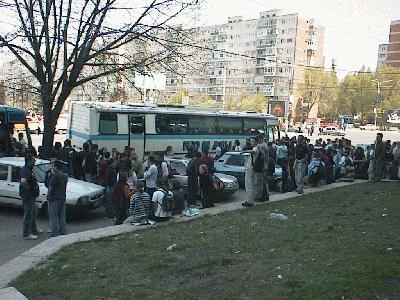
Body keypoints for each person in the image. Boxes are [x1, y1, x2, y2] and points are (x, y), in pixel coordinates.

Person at [20, 154, 41, 240]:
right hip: (28, 196)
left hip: (31, 196)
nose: (35, 161)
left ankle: (33, 229)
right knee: (28, 214)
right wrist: (30, 189)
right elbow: (23, 181)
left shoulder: (29, 170)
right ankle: (26, 233)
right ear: (29, 161)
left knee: (34, 212)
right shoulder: (25, 170)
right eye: (33, 160)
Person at [45, 160, 68, 237]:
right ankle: (63, 231)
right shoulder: (65, 176)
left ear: (56, 167)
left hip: (54, 198)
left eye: (53, 166)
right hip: (62, 197)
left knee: (53, 216)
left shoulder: (53, 177)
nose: (52, 167)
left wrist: (48, 196)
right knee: (62, 215)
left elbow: (50, 187)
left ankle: (55, 233)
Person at [242, 137, 262, 207]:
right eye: (251, 141)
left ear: (256, 142)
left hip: (250, 169)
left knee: (249, 185)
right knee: (249, 185)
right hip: (250, 168)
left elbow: (253, 151)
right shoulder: (255, 148)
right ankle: (249, 200)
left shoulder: (256, 149)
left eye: (253, 141)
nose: (251, 142)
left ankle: (250, 201)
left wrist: (244, 151)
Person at [257, 134, 270, 201]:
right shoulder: (265, 145)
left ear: (260, 139)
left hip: (262, 166)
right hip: (265, 165)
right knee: (265, 181)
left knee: (262, 181)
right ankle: (266, 195)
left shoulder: (261, 146)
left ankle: (263, 196)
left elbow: (262, 157)